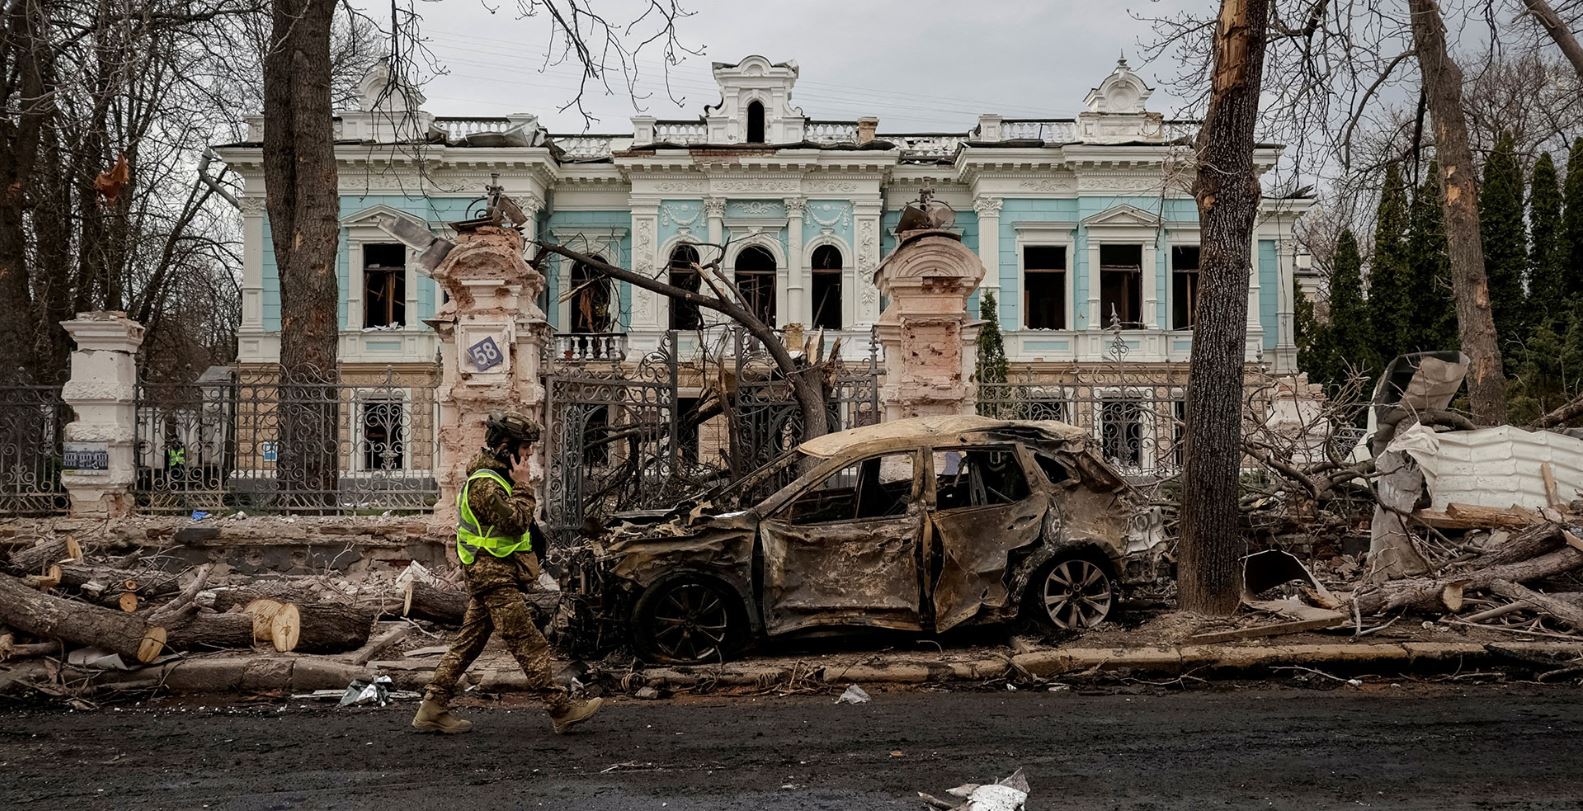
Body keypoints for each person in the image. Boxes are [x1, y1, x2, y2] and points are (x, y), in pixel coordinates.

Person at [412, 410, 603, 734]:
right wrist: (525, 486)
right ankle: (561, 709)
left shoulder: (497, 477)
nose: (528, 456)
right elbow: (514, 521)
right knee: (528, 642)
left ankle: (432, 707)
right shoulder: (486, 485)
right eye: (524, 449)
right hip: (490, 574)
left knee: (468, 643)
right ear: (504, 446)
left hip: (495, 571)